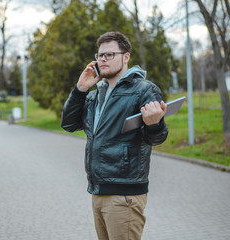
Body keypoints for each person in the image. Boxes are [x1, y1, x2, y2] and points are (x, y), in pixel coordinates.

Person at [61, 32, 169, 240]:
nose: (102, 59)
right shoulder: (95, 94)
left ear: (126, 57)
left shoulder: (143, 90)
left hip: (125, 194)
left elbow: (156, 138)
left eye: (109, 54)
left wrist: (154, 124)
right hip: (98, 191)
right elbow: (68, 124)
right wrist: (80, 89)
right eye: (100, 55)